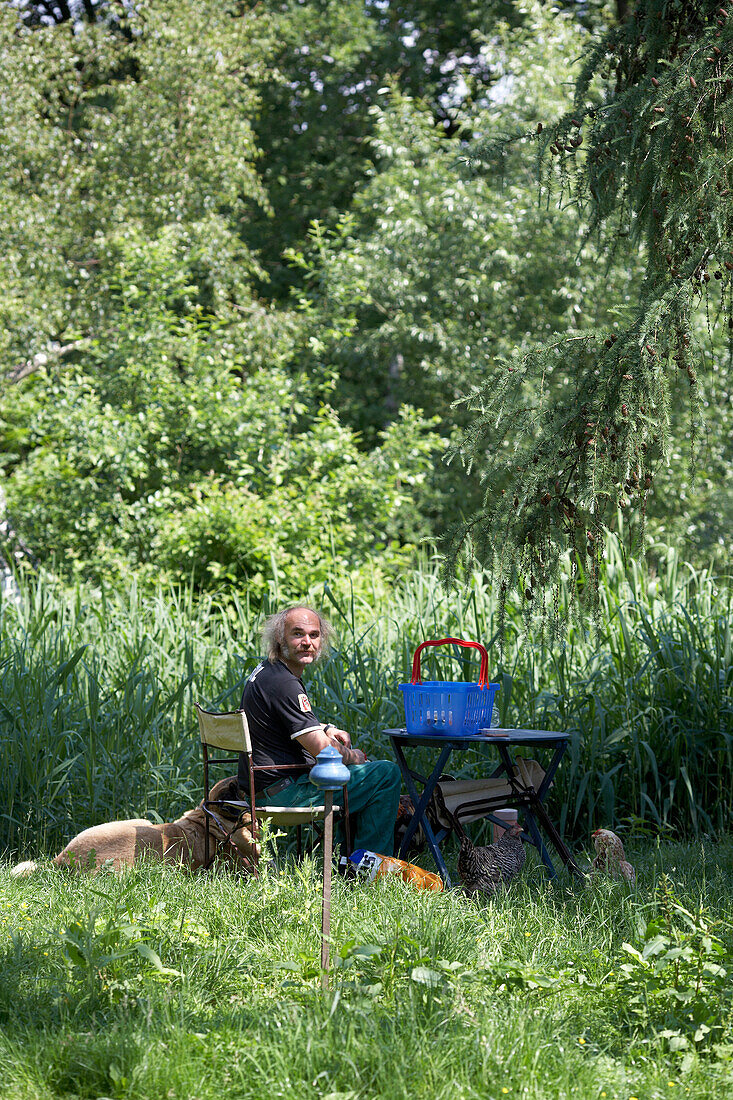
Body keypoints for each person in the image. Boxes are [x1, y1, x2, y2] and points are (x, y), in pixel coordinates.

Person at [238, 604, 401, 856]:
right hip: (284, 793)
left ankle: (350, 860)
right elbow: (324, 752)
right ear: (280, 638)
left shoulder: (268, 671)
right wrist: (353, 756)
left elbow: (286, 720)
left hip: (260, 787)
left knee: (362, 776)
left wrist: (325, 727)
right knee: (384, 774)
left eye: (314, 635)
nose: (307, 642)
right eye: (298, 634)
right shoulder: (284, 683)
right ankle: (372, 867)